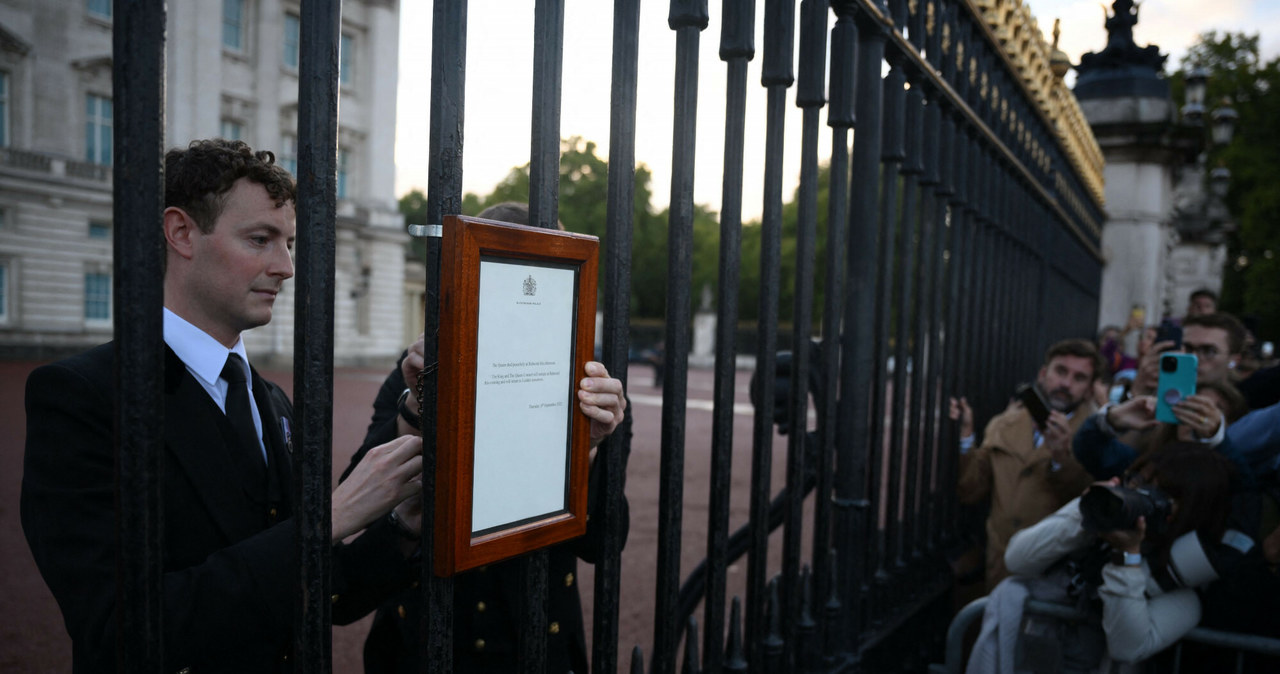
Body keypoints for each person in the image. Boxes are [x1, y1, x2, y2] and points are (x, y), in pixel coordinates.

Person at [21, 139, 425, 672]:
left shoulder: (271, 400)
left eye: (289, 243)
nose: (284, 266)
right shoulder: (80, 396)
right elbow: (119, 629)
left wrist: (402, 525)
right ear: (182, 232)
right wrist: (327, 519)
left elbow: (324, 594)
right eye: (260, 239)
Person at [348, 202, 629, 674]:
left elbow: (603, 544)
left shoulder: (593, 384)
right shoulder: (419, 368)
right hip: (424, 633)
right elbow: (356, 498)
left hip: (534, 637)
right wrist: (418, 405)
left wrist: (591, 447)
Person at [1000, 445, 1243, 668]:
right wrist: (1086, 512)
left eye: (1162, 497)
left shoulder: (1180, 592)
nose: (1141, 496)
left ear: (1192, 513)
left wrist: (1127, 556)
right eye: (1139, 481)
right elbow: (1017, 559)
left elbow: (1126, 647)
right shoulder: (1094, 530)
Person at [956, 338, 1104, 591]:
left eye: (1079, 378)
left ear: (1090, 389)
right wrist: (966, 437)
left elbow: (1088, 504)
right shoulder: (1005, 423)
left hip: (1052, 576)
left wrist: (1061, 457)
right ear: (1043, 374)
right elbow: (971, 491)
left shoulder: (1097, 436)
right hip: (999, 568)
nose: (1065, 384)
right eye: (1060, 371)